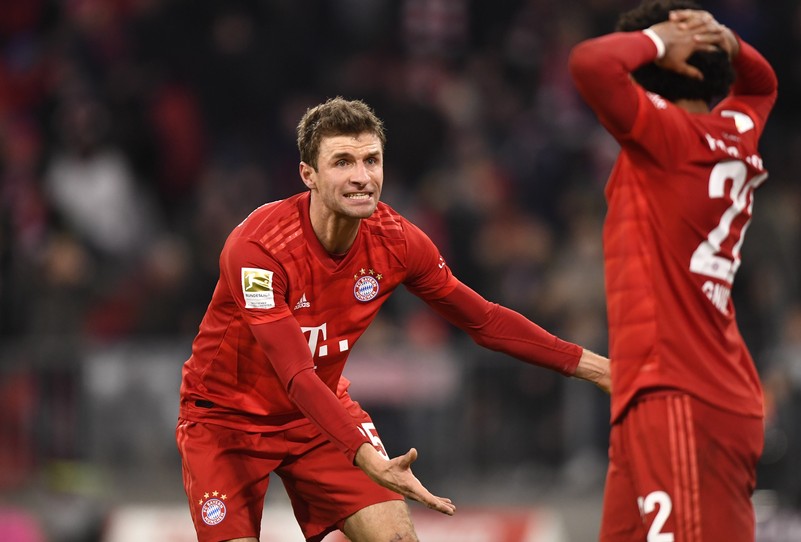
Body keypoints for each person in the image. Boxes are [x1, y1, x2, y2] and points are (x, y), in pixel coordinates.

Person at [175, 96, 611, 542]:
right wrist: (368, 457)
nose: (362, 177)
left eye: (371, 161)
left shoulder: (397, 240)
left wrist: (601, 369)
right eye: (343, 162)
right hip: (226, 421)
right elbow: (296, 375)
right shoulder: (258, 249)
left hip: (319, 417)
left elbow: (486, 321)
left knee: (398, 539)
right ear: (308, 175)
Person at [568, 2, 777, 541]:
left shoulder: (665, 138)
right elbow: (762, 86)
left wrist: (659, 38)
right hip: (683, 391)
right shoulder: (734, 130)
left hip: (678, 396)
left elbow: (592, 65)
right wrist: (726, 40)